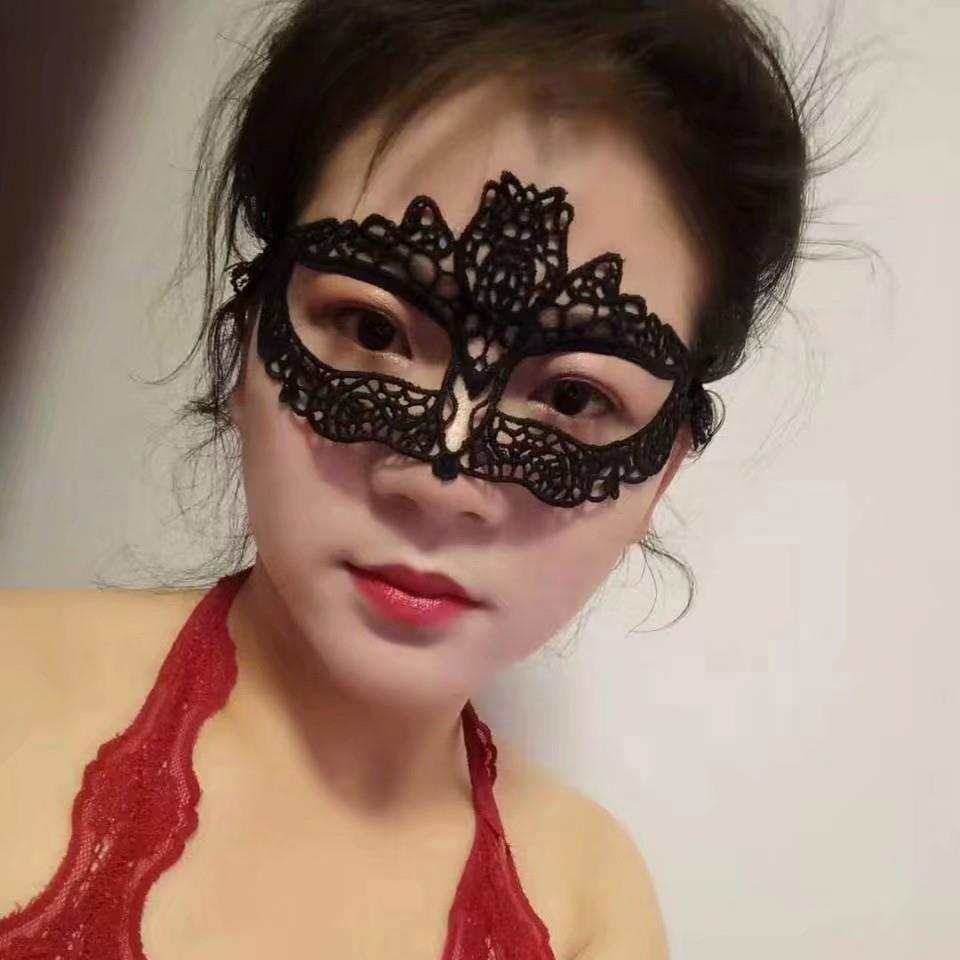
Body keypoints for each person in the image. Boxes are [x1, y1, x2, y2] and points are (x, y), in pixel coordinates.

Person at [0, 0, 824, 956]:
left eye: (571, 396)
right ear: (245, 337)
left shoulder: (589, 904)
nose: (442, 481)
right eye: (375, 330)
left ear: (664, 471)